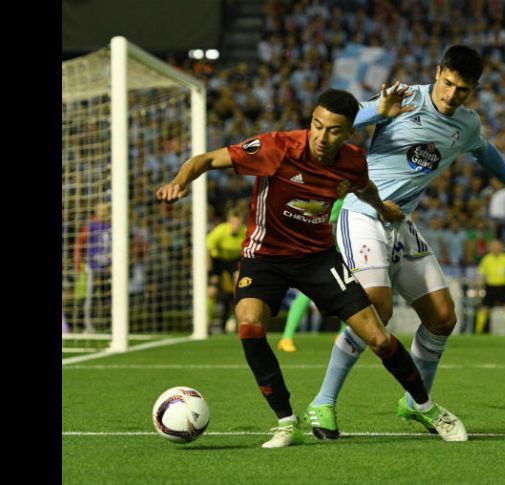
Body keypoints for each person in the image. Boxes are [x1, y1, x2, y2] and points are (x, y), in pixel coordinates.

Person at [156, 88, 467, 448]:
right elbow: (206, 160)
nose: (321, 136)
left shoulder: (351, 160)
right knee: (249, 322)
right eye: (316, 126)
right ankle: (287, 422)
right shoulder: (277, 147)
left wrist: (383, 209)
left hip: (318, 258)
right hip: (266, 256)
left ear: (349, 132)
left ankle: (427, 408)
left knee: (379, 336)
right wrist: (178, 183)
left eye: (333, 130)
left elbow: (363, 188)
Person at [306, 45, 505, 439]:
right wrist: (379, 111)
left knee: (443, 316)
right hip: (362, 212)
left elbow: (485, 153)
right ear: (437, 72)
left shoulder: (467, 125)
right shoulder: (404, 96)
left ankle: (414, 402)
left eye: (462, 89)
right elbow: (345, 120)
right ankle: (323, 403)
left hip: (400, 222)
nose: (451, 94)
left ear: (473, 90)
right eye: (447, 83)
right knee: (377, 309)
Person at [277, 198, 346, 353]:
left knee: (348, 288)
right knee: (307, 292)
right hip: (319, 243)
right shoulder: (328, 191)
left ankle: (343, 335)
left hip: (340, 243)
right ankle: (286, 337)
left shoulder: (348, 191)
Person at [206, 206, 247, 333]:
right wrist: (210, 270)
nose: (235, 225)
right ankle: (206, 323)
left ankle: (241, 321)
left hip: (234, 261)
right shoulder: (220, 231)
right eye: (233, 222)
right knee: (211, 291)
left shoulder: (245, 232)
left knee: (238, 286)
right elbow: (207, 248)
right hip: (217, 261)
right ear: (229, 221)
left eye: (238, 223)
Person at [73, 202, 111, 333]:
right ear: (96, 211)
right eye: (101, 210)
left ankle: (110, 325)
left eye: (106, 210)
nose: (104, 212)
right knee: (90, 298)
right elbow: (79, 244)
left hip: (108, 268)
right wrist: (78, 264)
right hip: (93, 267)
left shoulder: (111, 225)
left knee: (109, 297)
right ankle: (87, 326)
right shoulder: (90, 225)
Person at [474, 239, 505, 335]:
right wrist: (478, 288)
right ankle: (478, 330)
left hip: (503, 287)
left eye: (498, 247)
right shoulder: (486, 259)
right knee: (484, 308)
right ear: (490, 248)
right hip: (490, 287)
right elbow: (481, 276)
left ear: (501, 248)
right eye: (494, 247)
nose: (496, 249)